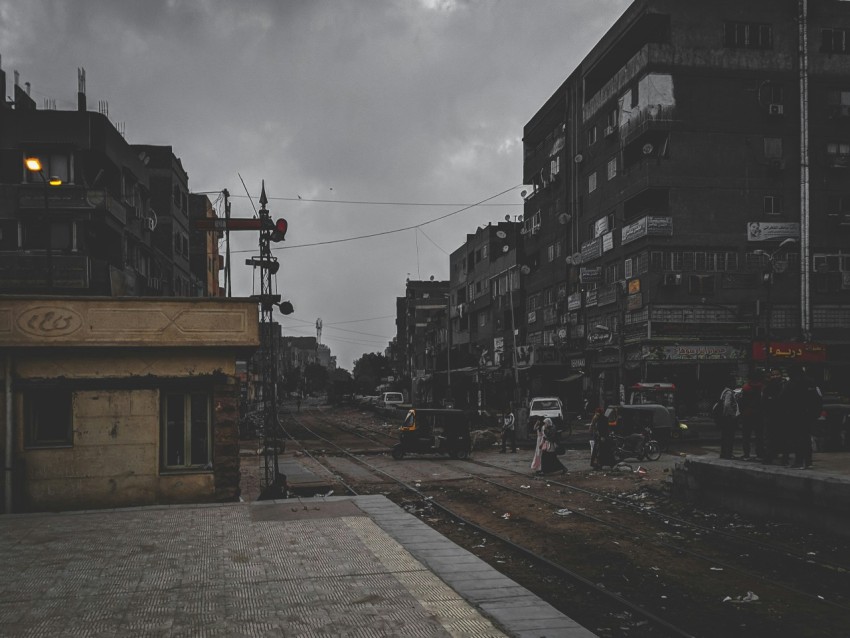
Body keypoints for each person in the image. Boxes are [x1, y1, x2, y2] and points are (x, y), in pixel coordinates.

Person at [761, 369, 786, 465]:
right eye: (773, 375)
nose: (775, 377)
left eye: (777, 374)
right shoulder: (768, 388)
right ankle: (769, 456)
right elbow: (763, 402)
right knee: (769, 437)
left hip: (781, 416)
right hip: (770, 416)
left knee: (781, 437)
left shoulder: (784, 386)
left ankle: (782, 457)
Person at [738, 373, 764, 460]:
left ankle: (746, 454)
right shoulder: (762, 388)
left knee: (746, 436)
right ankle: (759, 454)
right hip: (759, 414)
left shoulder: (746, 388)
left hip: (747, 414)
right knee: (759, 436)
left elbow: (741, 402)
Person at [717, 377, 739, 459]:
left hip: (725, 418)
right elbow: (727, 405)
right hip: (728, 418)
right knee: (729, 437)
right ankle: (728, 454)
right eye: (734, 382)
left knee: (725, 436)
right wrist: (733, 415)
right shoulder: (729, 392)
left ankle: (724, 453)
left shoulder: (724, 391)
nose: (736, 384)